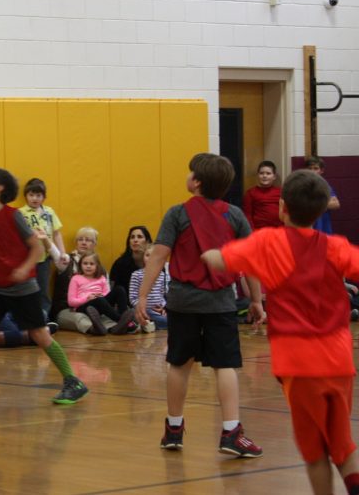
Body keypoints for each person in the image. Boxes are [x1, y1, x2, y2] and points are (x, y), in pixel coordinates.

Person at [202, 169, 359, 495]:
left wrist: (207, 253)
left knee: (315, 452)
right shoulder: (335, 246)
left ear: (282, 207)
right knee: (342, 444)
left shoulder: (269, 242)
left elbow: (220, 260)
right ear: (322, 209)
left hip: (299, 364)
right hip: (339, 360)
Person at [134, 153, 264, 457]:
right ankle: (231, 432)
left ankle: (173, 430)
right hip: (220, 303)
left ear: (196, 182)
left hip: (183, 302)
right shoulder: (235, 215)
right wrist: (257, 300)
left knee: (179, 364)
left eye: (190, 172)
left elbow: (158, 256)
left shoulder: (177, 213)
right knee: (225, 365)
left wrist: (142, 296)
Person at [0, 168, 89, 403]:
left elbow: (36, 247)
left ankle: (73, 381)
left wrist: (24, 268)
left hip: (22, 289)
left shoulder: (13, 216)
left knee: (40, 335)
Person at [18, 178, 69, 316]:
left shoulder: (49, 212)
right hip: (28, 259)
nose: (35, 198)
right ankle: (27, 317)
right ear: (26, 196)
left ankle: (44, 317)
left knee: (43, 289)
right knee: (27, 289)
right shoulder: (21, 213)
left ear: (44, 197)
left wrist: (62, 252)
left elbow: (56, 233)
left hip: (45, 259)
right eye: (31, 195)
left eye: (38, 195)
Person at [67, 252, 137, 335]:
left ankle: (124, 316)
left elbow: (107, 294)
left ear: (97, 266)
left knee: (119, 289)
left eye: (91, 264)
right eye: (85, 263)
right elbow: (71, 302)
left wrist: (100, 296)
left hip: (101, 303)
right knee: (99, 300)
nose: (88, 266)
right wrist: (87, 298)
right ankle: (124, 321)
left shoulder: (101, 278)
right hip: (84, 306)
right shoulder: (76, 278)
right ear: (80, 265)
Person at [129, 243, 167, 331]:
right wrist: (141, 307)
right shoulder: (136, 275)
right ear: (143, 257)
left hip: (157, 311)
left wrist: (163, 307)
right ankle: (144, 323)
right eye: (147, 255)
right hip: (143, 311)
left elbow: (162, 295)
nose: (150, 258)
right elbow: (132, 297)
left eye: (153, 256)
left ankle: (150, 325)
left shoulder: (162, 275)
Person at [109, 226, 152, 296]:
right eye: (132, 237)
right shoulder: (119, 264)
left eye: (139, 237)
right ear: (129, 242)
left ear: (147, 241)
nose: (135, 240)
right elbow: (114, 289)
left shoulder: (156, 263)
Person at [305, 156, 340, 234]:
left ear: (321, 171)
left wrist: (314, 205)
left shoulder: (325, 185)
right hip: (307, 227)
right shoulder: (301, 185)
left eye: (315, 168)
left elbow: (335, 204)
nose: (312, 171)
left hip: (323, 229)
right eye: (310, 168)